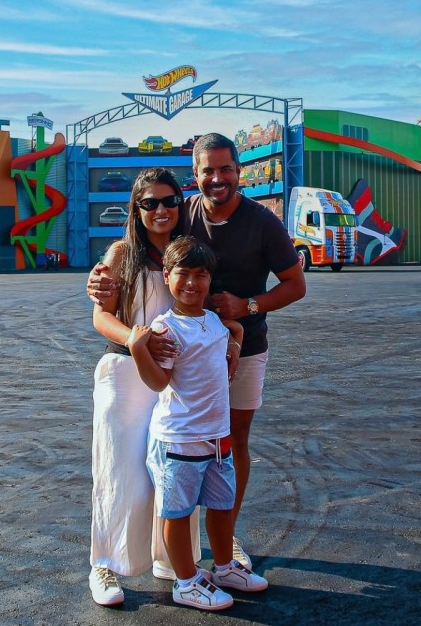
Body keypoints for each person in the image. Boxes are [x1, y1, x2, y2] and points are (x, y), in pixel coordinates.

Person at [89, 132, 306, 574]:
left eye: (226, 169)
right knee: (155, 461)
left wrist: (245, 314)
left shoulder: (261, 222)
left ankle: (216, 545)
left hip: (230, 350)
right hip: (167, 362)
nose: (217, 178)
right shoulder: (178, 218)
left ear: (239, 172)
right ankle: (137, 560)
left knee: (222, 448)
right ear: (196, 176)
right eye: (208, 170)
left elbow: (295, 284)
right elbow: (114, 283)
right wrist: (98, 283)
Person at [127, 236, 268, 611]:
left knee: (221, 508)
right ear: (168, 276)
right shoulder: (166, 328)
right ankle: (186, 583)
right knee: (178, 512)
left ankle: (223, 569)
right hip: (180, 440)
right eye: (183, 274)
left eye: (201, 275)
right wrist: (138, 348)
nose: (192, 283)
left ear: (210, 280)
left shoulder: (212, 321)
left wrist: (236, 344)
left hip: (217, 438)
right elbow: (159, 382)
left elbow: (233, 332)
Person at [87, 167, 197, 606]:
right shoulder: (120, 253)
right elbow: (100, 316)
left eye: (169, 200)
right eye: (149, 202)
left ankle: (173, 559)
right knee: (121, 470)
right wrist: (132, 336)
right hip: (125, 373)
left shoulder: (190, 252)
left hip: (177, 377)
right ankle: (105, 566)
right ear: (136, 209)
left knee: (177, 470)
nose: (161, 210)